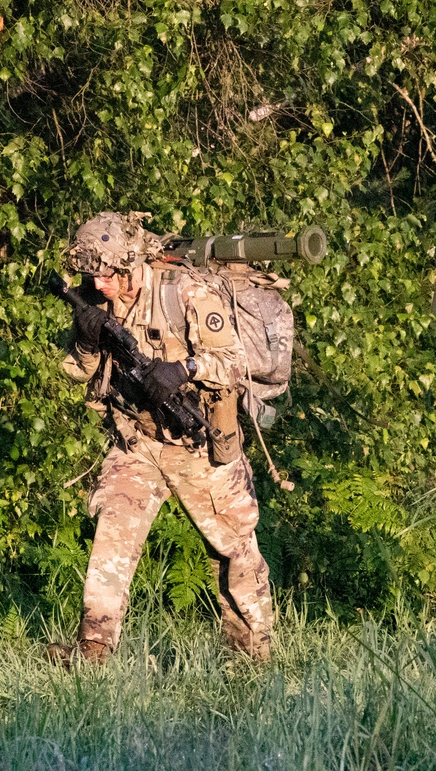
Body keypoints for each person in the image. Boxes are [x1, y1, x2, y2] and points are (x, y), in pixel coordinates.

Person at [56, 211, 273, 663]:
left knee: (233, 548)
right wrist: (87, 341)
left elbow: (235, 362)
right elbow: (75, 373)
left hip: (199, 445)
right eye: (92, 275)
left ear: (131, 261)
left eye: (109, 274)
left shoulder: (185, 293)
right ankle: (93, 651)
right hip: (137, 440)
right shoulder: (95, 301)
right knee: (112, 533)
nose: (100, 286)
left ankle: (252, 656)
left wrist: (186, 369)